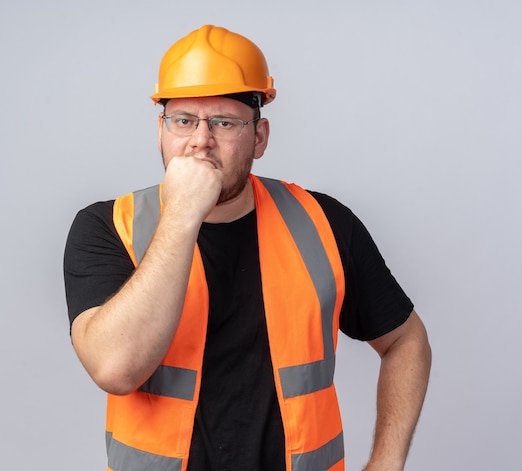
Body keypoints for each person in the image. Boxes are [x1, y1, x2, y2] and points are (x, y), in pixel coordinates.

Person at [64, 24, 431, 471]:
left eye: (224, 122)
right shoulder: (107, 227)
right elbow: (115, 368)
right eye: (182, 121)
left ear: (259, 137)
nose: (200, 141)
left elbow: (406, 341)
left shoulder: (323, 223)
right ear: (160, 131)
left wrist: (386, 462)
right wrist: (181, 215)